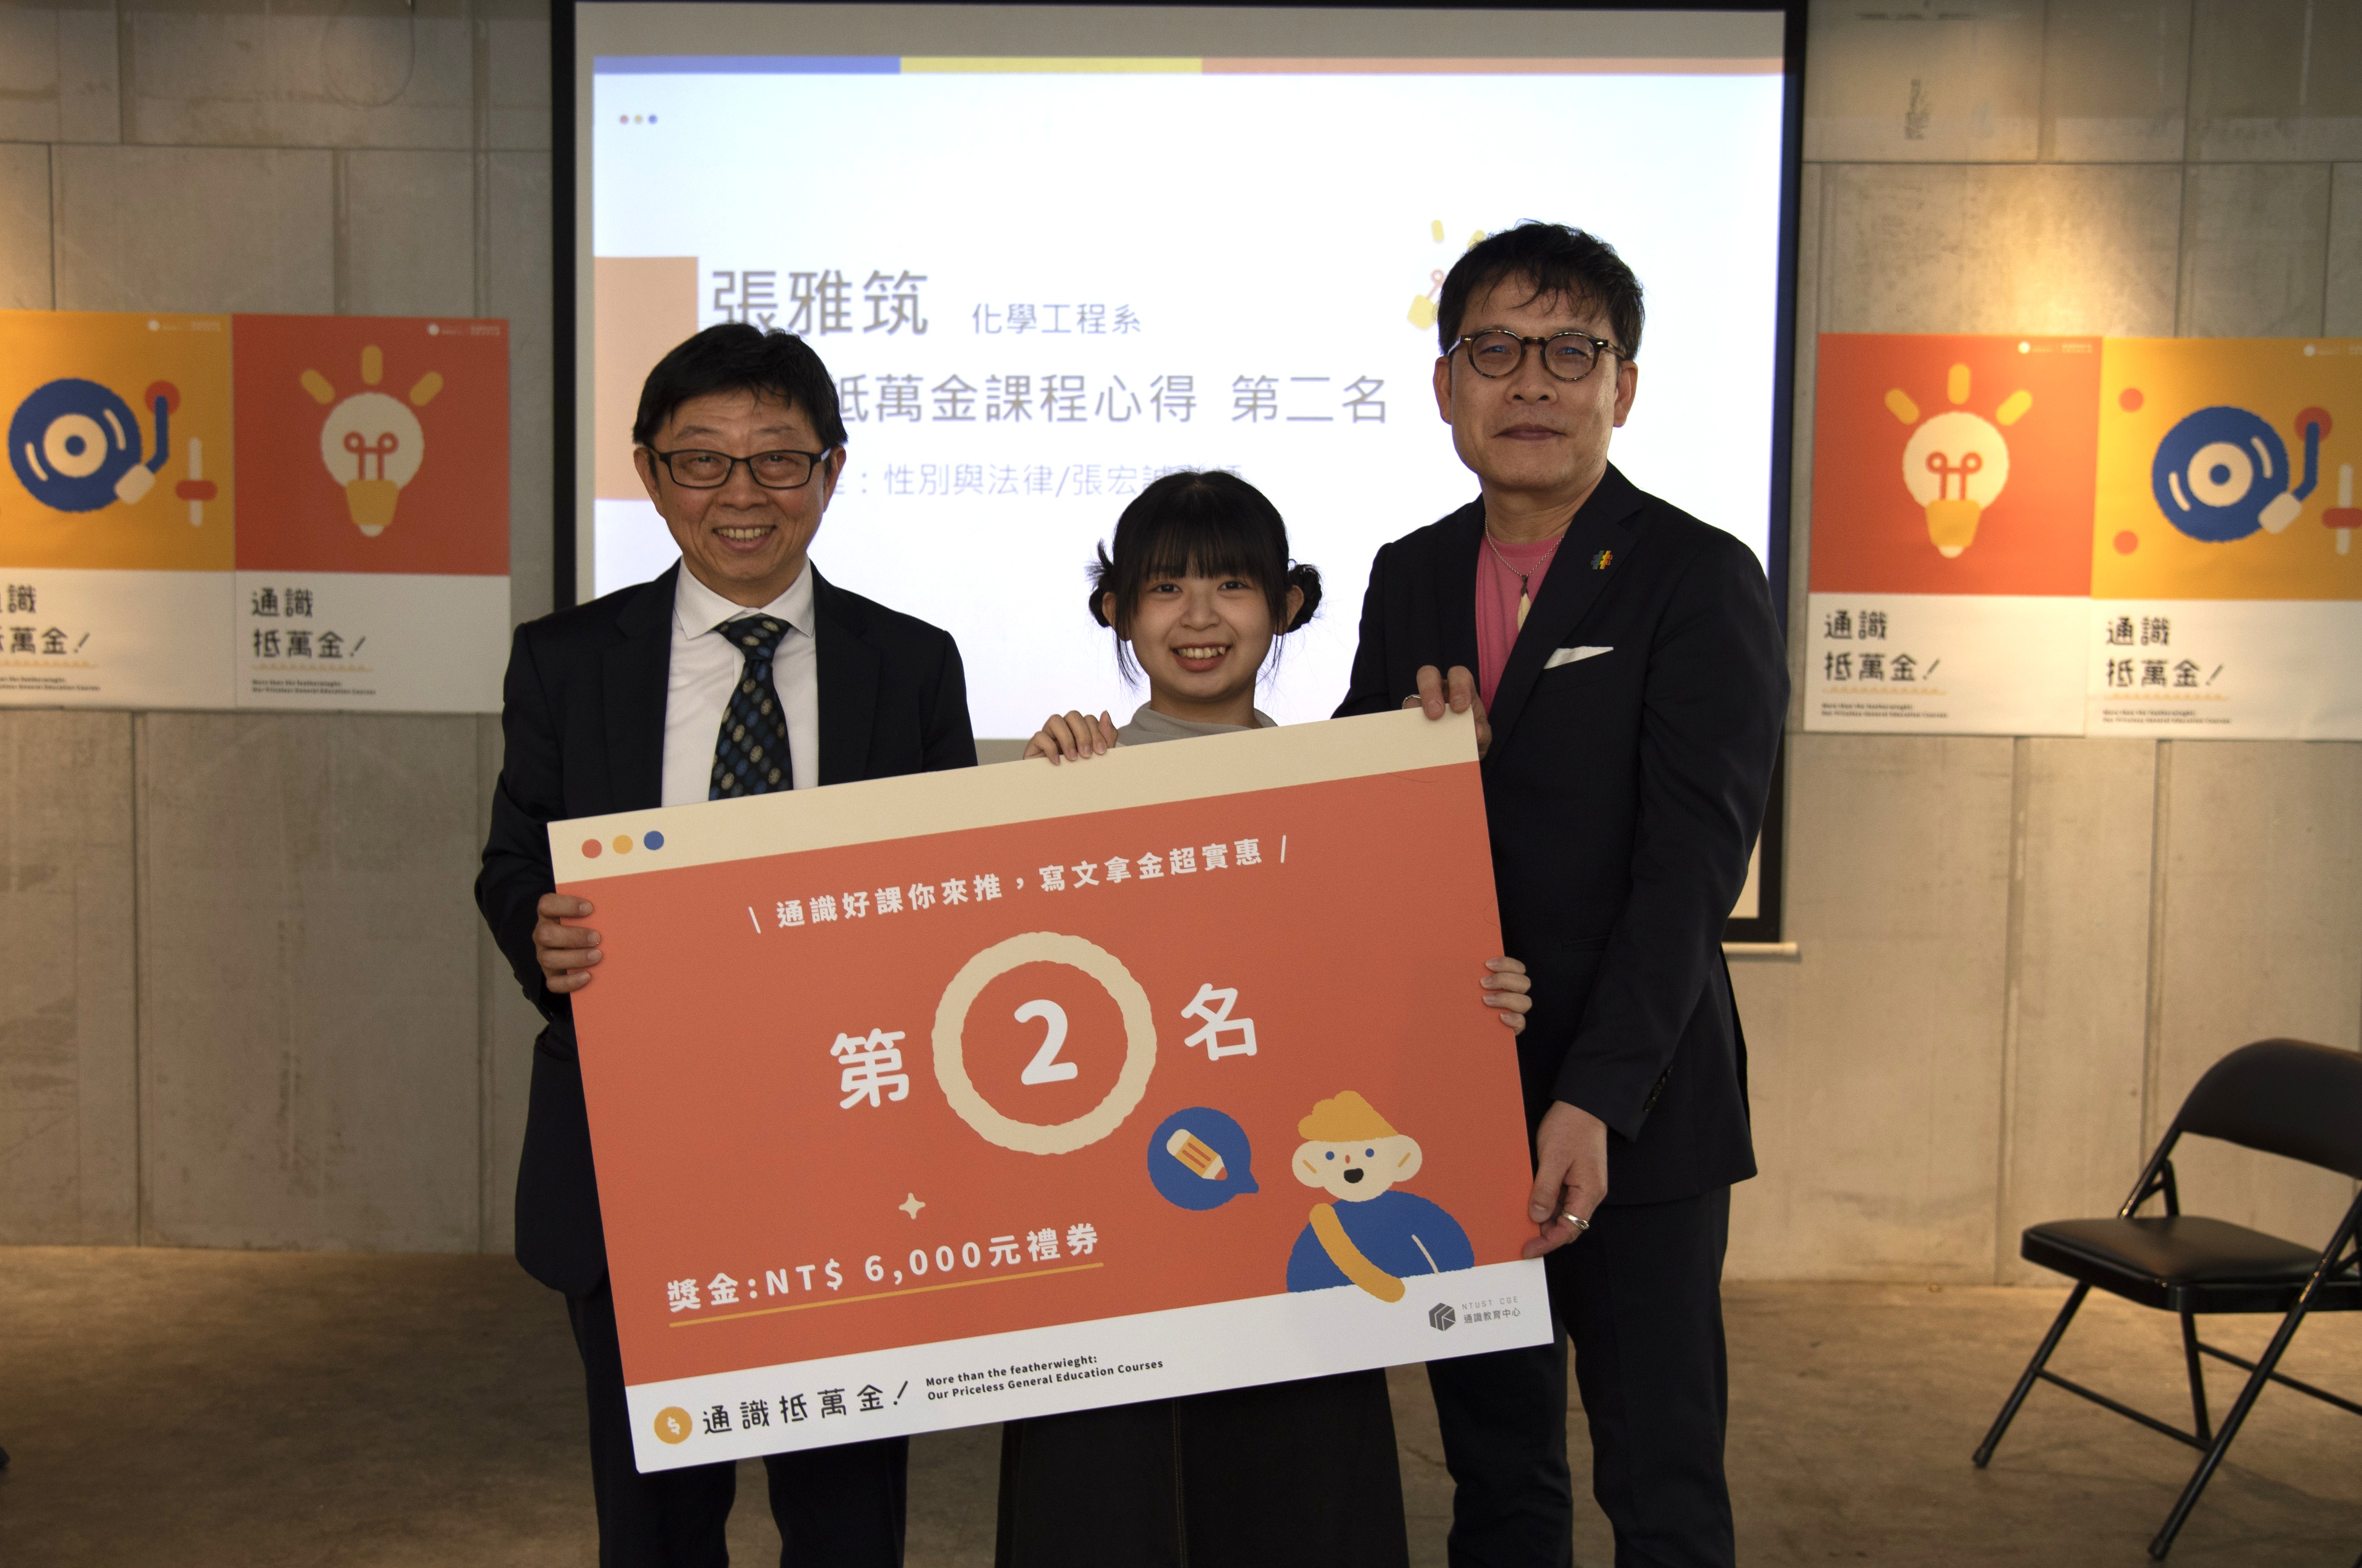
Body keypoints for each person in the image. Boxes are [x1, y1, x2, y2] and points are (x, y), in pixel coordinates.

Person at [475, 323, 975, 1566]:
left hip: (851, 1149)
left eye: (776, 460)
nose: (740, 495)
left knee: (847, 1513)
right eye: (701, 461)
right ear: (649, 473)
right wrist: (539, 930)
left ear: (831, 472)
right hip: (638, 1144)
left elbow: (951, 896)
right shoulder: (565, 660)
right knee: (655, 1518)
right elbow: (512, 860)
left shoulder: (910, 664)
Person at [1335, 223, 1787, 1567]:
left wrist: (1593, 1096)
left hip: (1635, 1105)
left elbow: (1689, 870)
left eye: (1569, 351)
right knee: (1496, 1475)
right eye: (1495, 350)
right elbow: (1357, 828)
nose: (1530, 381)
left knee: (1660, 1481)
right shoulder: (1409, 570)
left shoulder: (1696, 573)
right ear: (1445, 385)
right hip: (1455, 1096)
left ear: (1622, 386)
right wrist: (1404, 765)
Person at [1003, 470, 1534, 1568]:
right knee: (1108, 1506)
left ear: (1287, 603)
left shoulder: (1352, 795)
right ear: (1115, 611)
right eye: (1165, 589)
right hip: (1114, 1247)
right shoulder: (1057, 787)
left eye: (1232, 586)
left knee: (1295, 1500)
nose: (1199, 618)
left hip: (1290, 1236)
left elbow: (1399, 984)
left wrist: (1479, 999)